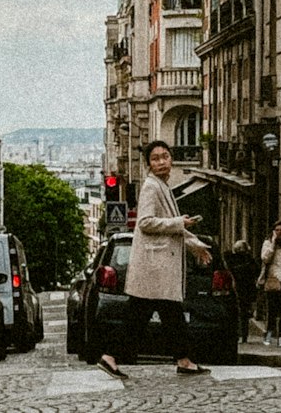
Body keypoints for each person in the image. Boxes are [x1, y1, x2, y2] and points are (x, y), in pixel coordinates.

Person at [97, 139, 212, 380]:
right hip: (154, 266)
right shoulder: (151, 187)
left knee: (161, 317)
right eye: (156, 158)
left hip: (156, 267)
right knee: (152, 317)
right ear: (149, 164)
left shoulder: (162, 186)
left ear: (171, 160)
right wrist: (180, 223)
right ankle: (112, 356)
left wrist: (195, 245)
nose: (161, 162)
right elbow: (146, 222)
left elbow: (174, 227)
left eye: (165, 157)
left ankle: (182, 360)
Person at [224, 239, 259, 343]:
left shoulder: (236, 259)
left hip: (242, 289)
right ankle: (243, 336)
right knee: (243, 313)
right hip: (243, 288)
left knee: (242, 313)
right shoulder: (245, 259)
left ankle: (242, 336)